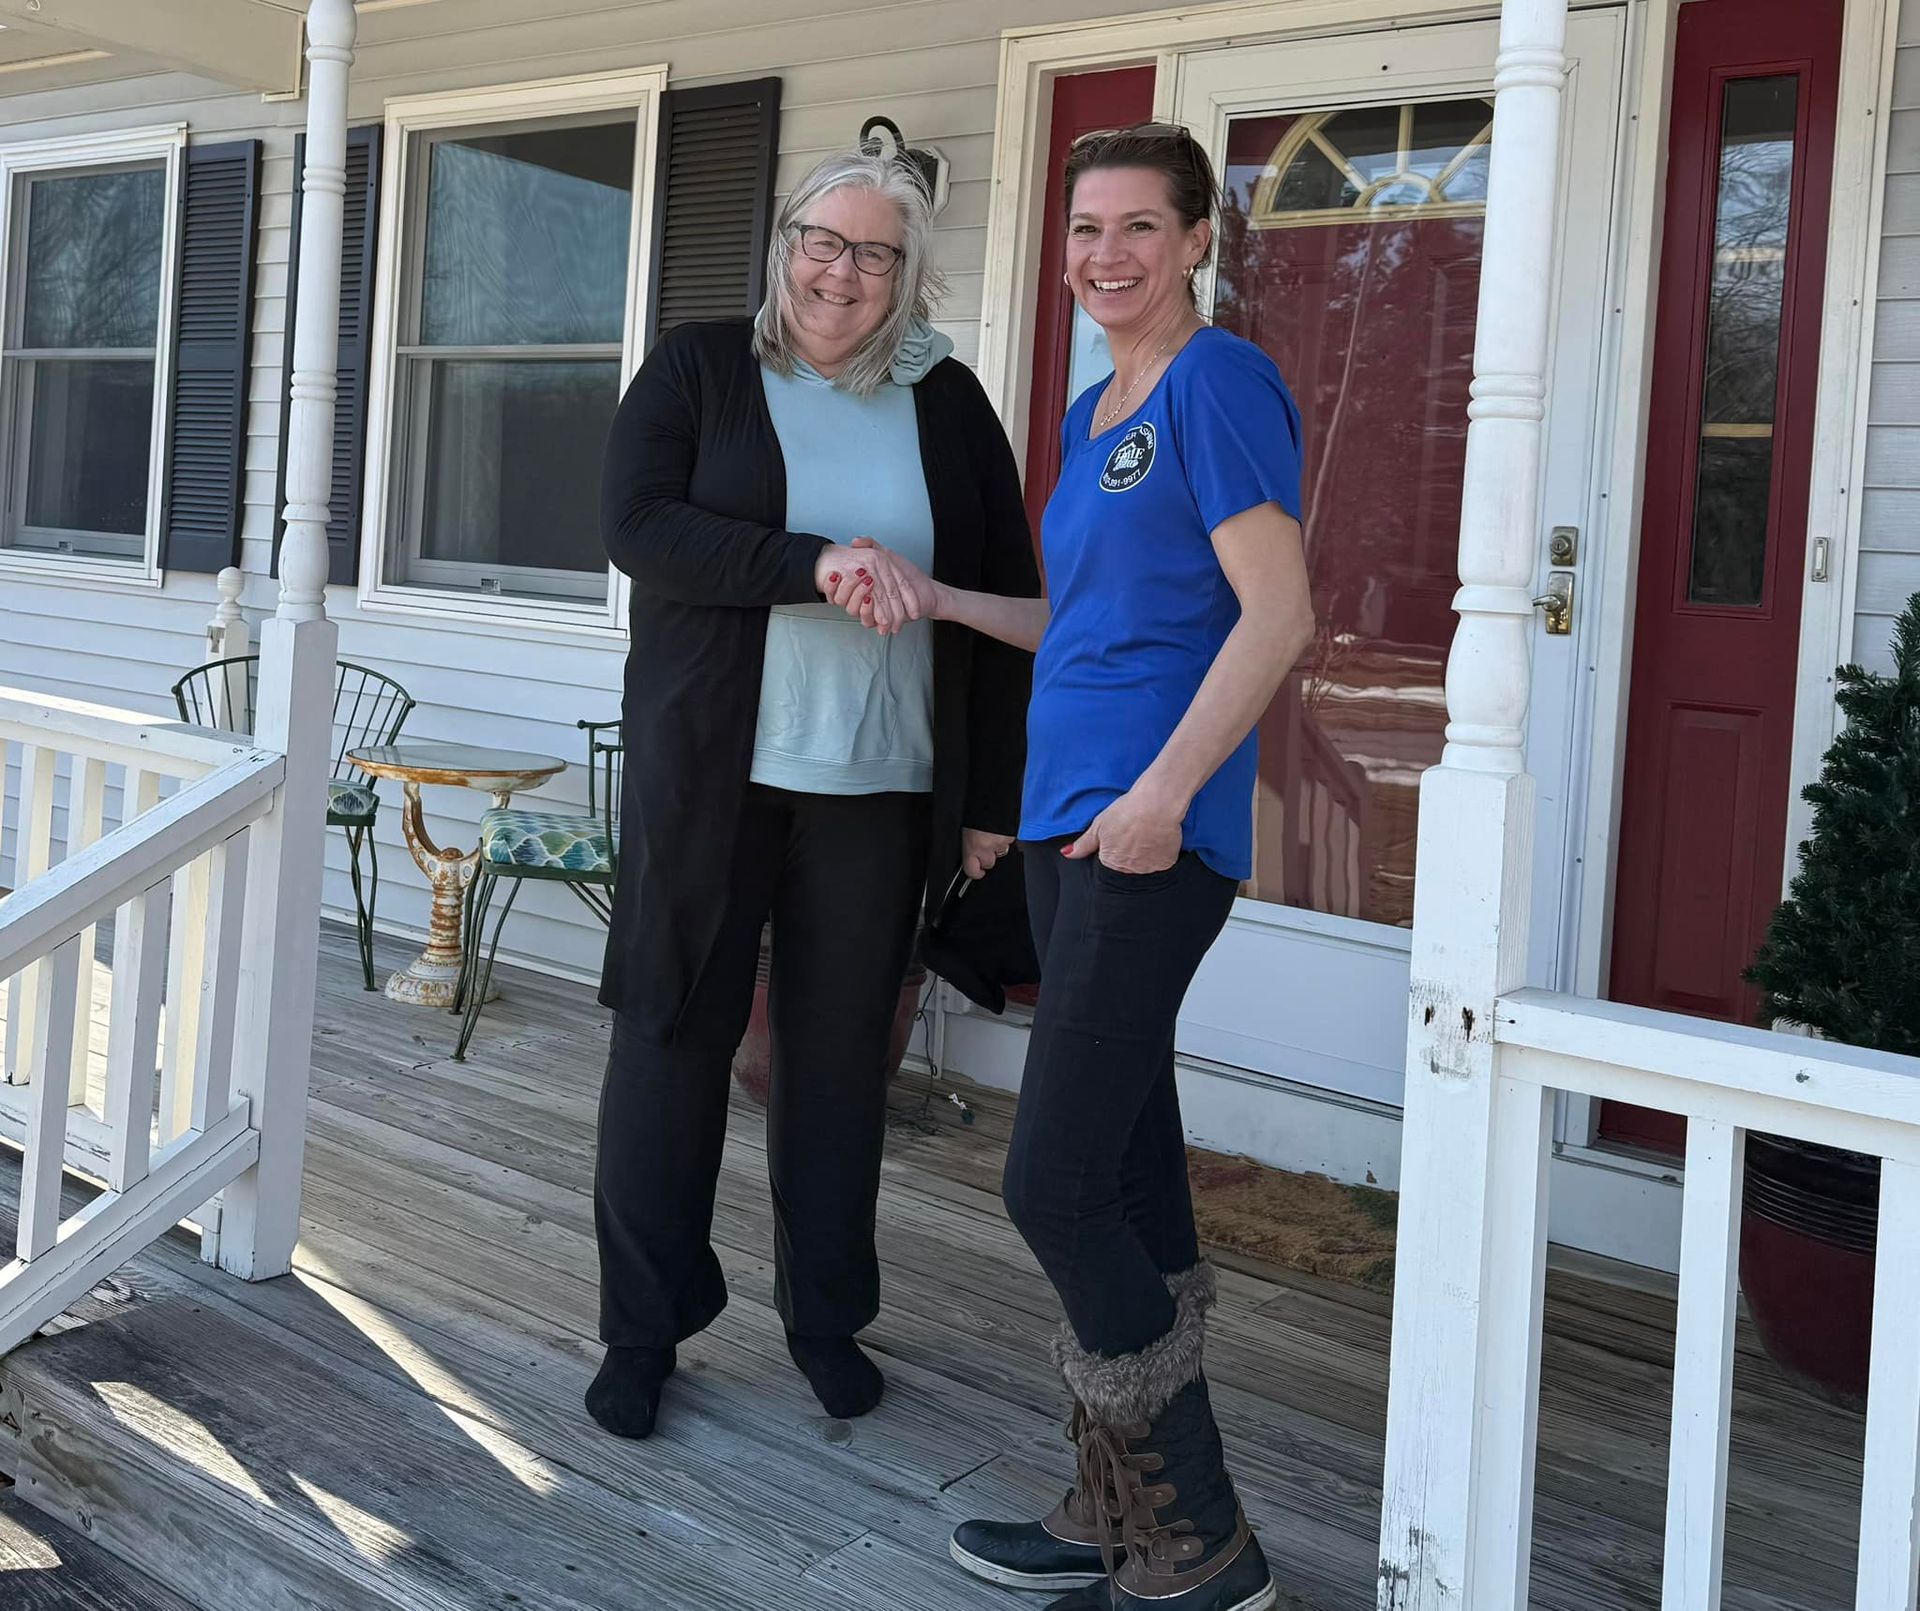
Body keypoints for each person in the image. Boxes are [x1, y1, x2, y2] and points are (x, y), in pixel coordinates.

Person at [829, 124, 1312, 1611]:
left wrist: (1168, 794)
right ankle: (1124, 1503)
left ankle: (1200, 1544)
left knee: (1053, 1183)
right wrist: (943, 599)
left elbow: (1279, 614)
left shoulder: (1219, 382)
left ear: (1195, 242)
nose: (1105, 256)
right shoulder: (1106, 402)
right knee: (1130, 1183)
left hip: (1145, 838)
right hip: (1068, 828)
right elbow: (1089, 626)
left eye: (1137, 229)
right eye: (1085, 230)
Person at [588, 145, 1041, 1441]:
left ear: (908, 275)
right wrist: (814, 561)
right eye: (821, 242)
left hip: (882, 787)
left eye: (874, 253)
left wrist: (987, 797)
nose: (841, 273)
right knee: (671, 1043)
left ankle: (825, 1318)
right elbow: (638, 526)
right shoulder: (700, 368)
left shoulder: (946, 401)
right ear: (785, 242)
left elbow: (1007, 592)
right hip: (712, 780)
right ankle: (642, 1326)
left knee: (838, 1071)